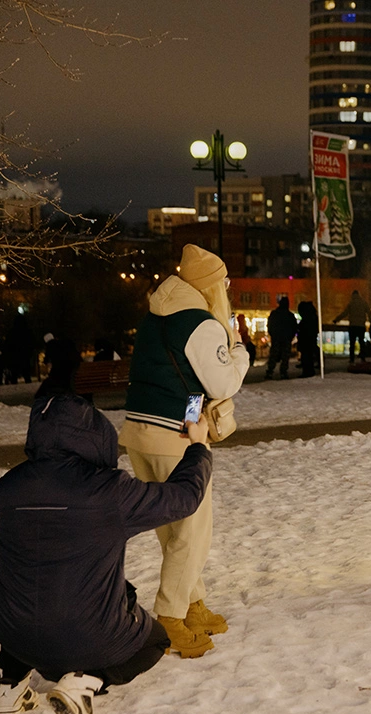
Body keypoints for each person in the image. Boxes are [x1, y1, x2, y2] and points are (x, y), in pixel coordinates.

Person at [0, 378, 212, 714]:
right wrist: (199, 448)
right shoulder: (109, 492)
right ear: (94, 435)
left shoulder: (9, 487)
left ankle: (9, 685)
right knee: (154, 642)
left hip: (9, 627)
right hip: (84, 632)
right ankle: (81, 685)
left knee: (36, 593)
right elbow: (184, 497)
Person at [120, 244, 248, 659]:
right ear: (213, 285)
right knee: (192, 530)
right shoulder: (200, 324)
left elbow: (184, 379)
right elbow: (223, 384)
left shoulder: (157, 314)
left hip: (140, 431)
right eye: (224, 282)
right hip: (174, 435)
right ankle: (171, 617)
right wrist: (241, 354)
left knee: (173, 528)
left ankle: (191, 603)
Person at [265, 296, 296, 380]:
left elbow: (270, 325)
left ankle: (270, 372)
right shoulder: (290, 315)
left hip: (277, 338)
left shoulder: (274, 314)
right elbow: (294, 327)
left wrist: (273, 334)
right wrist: (290, 336)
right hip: (286, 338)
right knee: (285, 356)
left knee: (274, 355)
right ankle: (283, 372)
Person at [343, 290, 370, 363]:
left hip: (353, 326)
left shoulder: (351, 303)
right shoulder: (363, 303)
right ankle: (363, 358)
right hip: (361, 325)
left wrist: (336, 319)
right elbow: (369, 312)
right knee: (362, 343)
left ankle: (352, 359)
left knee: (352, 343)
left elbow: (345, 313)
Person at [297, 300, 320, 378]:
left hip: (306, 339)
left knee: (306, 355)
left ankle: (307, 371)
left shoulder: (307, 319)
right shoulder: (312, 316)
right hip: (309, 338)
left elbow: (304, 328)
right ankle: (309, 370)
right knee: (308, 354)